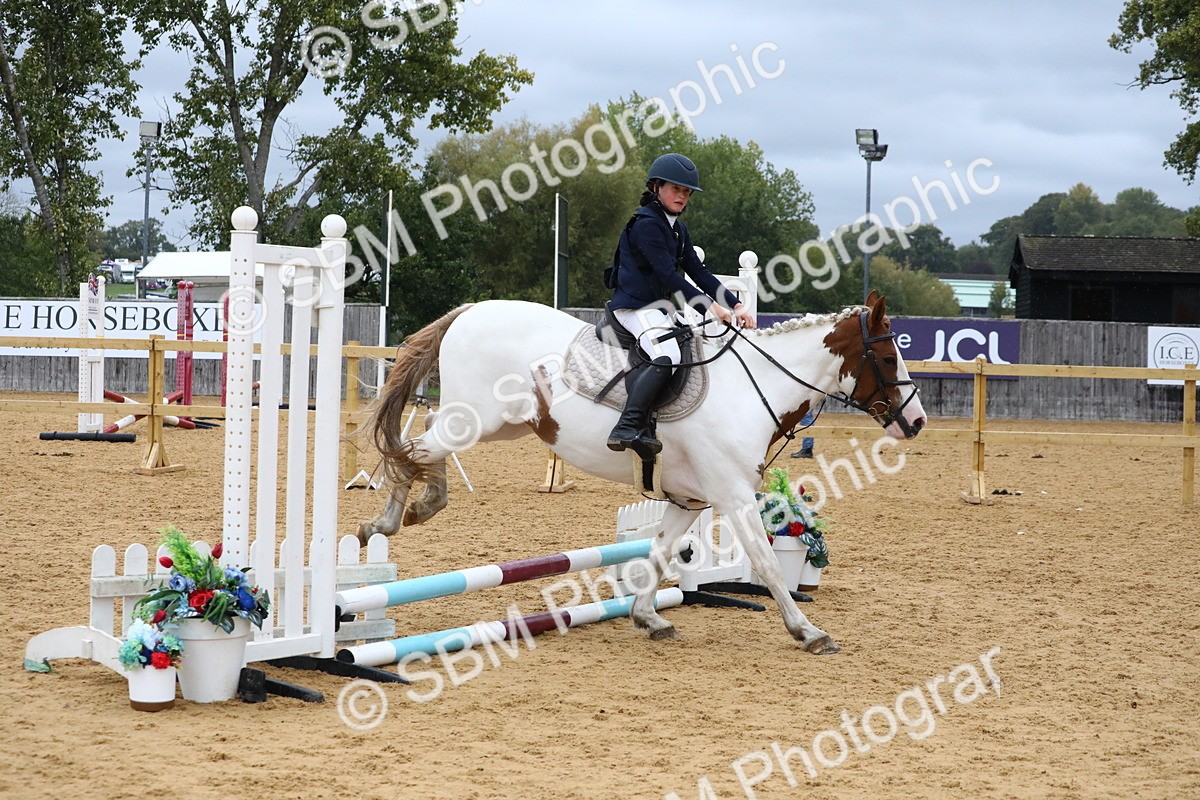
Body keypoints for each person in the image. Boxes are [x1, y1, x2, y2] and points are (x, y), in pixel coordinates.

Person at [605, 152, 755, 455]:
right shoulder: (646, 224)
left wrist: (735, 305)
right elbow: (669, 277)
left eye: (686, 192)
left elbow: (699, 272)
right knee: (666, 357)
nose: (682, 196)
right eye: (676, 189)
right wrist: (711, 308)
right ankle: (627, 426)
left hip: (657, 308)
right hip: (634, 307)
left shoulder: (676, 228)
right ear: (657, 187)